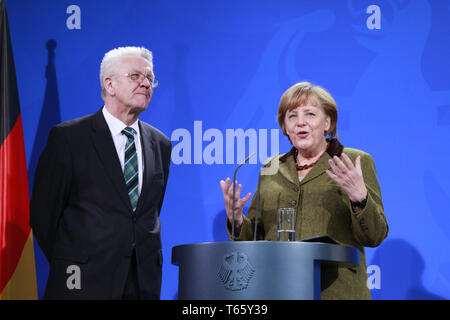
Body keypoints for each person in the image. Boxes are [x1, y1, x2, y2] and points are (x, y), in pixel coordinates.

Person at [220, 81, 388, 299]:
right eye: (292, 116)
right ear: (285, 127)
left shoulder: (354, 161)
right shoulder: (271, 168)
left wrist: (360, 199)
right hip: (279, 290)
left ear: (327, 122)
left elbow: (374, 236)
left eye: (310, 114)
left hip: (337, 291)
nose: (301, 123)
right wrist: (237, 221)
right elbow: (255, 240)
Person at [30, 46, 172, 300]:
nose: (146, 84)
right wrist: (75, 260)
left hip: (142, 284)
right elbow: (44, 216)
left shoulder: (160, 144)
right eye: (135, 76)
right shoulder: (69, 138)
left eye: (150, 79)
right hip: (82, 283)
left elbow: (147, 213)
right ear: (110, 84)